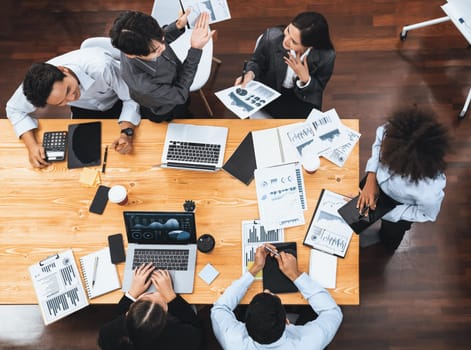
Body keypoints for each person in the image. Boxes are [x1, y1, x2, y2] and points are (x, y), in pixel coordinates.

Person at [6, 47, 141, 168]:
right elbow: (14, 109)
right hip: (86, 109)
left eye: (68, 90)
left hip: (119, 99)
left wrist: (126, 133)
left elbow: (131, 97)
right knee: (82, 160)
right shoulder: (35, 87)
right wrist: (32, 146)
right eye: (60, 103)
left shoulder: (101, 67)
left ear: (63, 70)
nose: (72, 99)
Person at [211, 244, 343, 349]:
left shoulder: (233, 341)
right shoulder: (308, 343)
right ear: (287, 321)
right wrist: (295, 274)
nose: (267, 290)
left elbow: (220, 308)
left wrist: (255, 268)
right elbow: (332, 312)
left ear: (244, 325)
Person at [357, 107, 450, 251]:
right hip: (373, 183)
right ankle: (358, 231)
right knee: (357, 216)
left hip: (399, 208)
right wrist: (371, 177)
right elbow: (379, 141)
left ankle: (386, 244)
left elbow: (427, 214)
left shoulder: (429, 191)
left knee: (391, 237)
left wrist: (390, 213)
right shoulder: (394, 131)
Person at [109, 10, 214, 122]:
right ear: (130, 55)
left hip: (176, 81)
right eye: (156, 50)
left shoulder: (133, 42)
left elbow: (156, 40)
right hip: (166, 107)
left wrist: (177, 26)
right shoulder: (145, 86)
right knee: (181, 115)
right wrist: (195, 50)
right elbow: (180, 95)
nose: (164, 48)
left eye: (162, 39)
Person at [234, 12, 335, 118]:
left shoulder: (326, 56)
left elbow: (318, 90)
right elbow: (256, 62)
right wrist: (250, 74)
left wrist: (306, 80)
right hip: (271, 91)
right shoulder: (272, 37)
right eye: (288, 31)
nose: (285, 40)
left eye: (294, 42)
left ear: (310, 46)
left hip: (301, 99)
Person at [98, 263, 203, 350]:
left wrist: (131, 293)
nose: (156, 293)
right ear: (166, 320)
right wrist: (171, 297)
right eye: (162, 302)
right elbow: (195, 327)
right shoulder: (184, 338)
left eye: (148, 296)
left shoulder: (106, 335)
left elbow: (118, 316)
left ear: (129, 312)